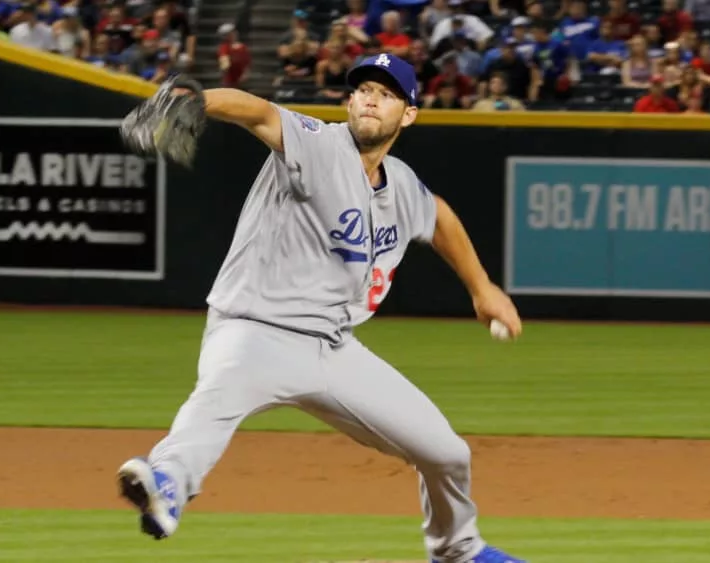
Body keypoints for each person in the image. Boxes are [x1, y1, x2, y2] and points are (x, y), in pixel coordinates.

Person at [115, 53, 526, 563]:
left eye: (387, 92)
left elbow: (438, 216)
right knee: (212, 406)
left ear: (410, 113)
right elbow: (258, 112)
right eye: (363, 89)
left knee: (447, 454)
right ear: (348, 101)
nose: (371, 98)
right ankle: (166, 482)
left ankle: (457, 550)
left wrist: (482, 288)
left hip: (334, 350)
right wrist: (200, 101)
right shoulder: (318, 144)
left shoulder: (398, 184)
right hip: (253, 331)